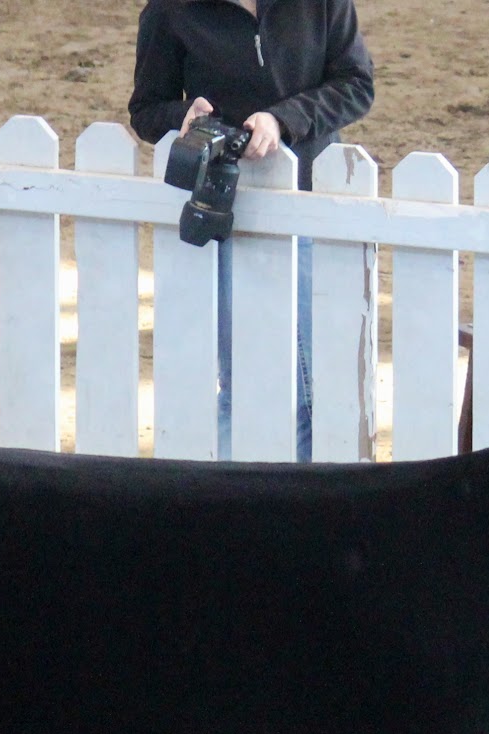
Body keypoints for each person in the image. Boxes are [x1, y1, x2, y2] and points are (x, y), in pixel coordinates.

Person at [128, 0, 374, 462]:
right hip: (225, 211)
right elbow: (146, 109)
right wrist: (184, 116)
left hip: (309, 205)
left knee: (315, 387)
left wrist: (282, 120)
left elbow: (356, 83)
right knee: (243, 382)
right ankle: (234, 495)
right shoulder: (171, 9)